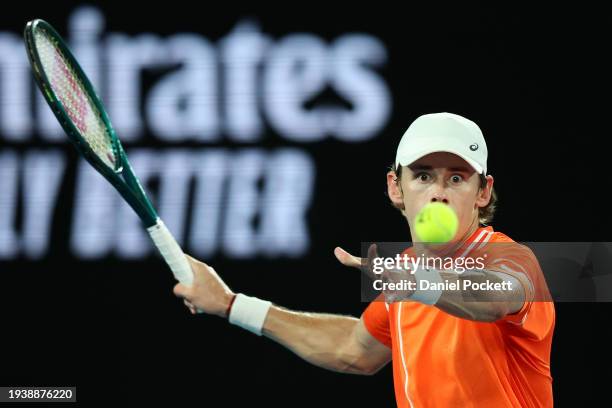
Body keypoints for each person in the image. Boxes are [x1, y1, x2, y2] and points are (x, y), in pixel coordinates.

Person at [173, 112, 555, 407]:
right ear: (396, 188)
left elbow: (496, 296)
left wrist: (420, 284)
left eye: (456, 179)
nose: (439, 192)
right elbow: (354, 350)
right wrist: (231, 304)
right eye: (423, 176)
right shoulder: (406, 273)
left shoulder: (511, 258)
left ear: (482, 192)